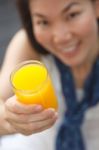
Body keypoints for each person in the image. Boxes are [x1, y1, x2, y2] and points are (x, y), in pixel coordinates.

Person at [0, 0, 99, 150]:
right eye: (44, 22)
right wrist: (9, 119)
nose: (61, 37)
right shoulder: (29, 44)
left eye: (72, 15)